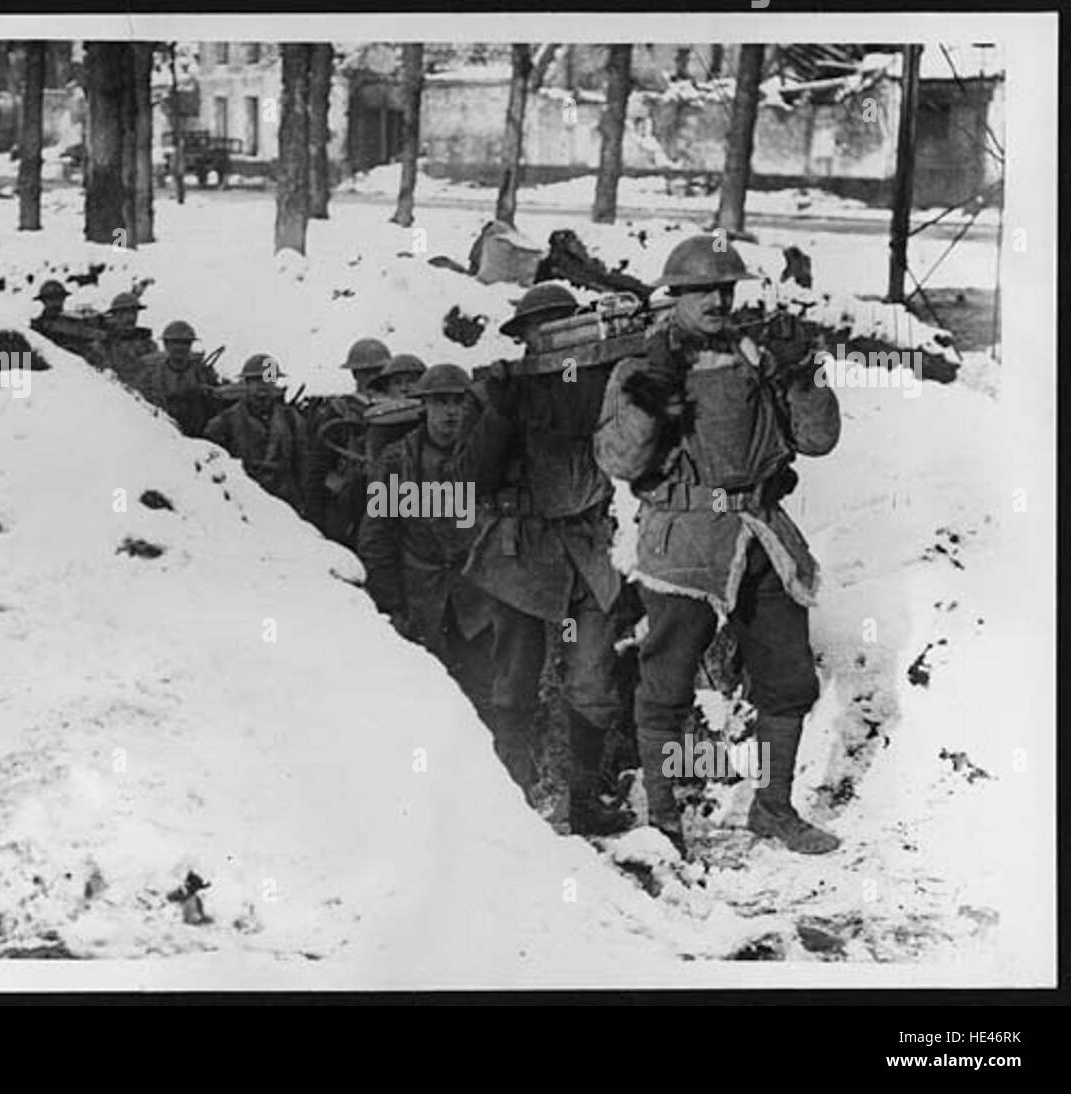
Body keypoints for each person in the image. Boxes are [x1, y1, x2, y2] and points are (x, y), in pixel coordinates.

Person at [594, 234, 842, 858]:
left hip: (761, 532)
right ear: (675, 295)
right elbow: (617, 461)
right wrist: (652, 400)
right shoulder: (640, 367)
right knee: (666, 683)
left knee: (786, 677)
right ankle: (664, 819)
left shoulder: (759, 356)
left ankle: (774, 808)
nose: (717, 300)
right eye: (702, 289)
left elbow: (817, 443)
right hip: (685, 541)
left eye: (726, 288)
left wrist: (805, 374)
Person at [457, 284, 631, 834]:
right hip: (521, 558)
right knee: (513, 680)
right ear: (526, 339)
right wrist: (501, 415)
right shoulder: (501, 393)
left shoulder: (605, 384)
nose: (555, 340)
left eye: (564, 326)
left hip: (588, 554)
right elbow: (468, 478)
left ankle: (583, 802)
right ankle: (509, 801)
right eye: (543, 330)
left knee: (592, 680)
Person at [358, 364, 494, 715]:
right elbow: (378, 537)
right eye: (440, 402)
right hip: (420, 594)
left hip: (479, 596)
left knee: (488, 691)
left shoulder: (485, 457)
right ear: (424, 406)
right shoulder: (398, 462)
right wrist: (392, 605)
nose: (450, 411)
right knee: (429, 696)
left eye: (458, 402)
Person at [304, 338, 392, 546]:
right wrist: (316, 521)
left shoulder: (399, 410)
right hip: (349, 506)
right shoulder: (336, 412)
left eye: (379, 371)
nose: (374, 378)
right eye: (367, 372)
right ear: (355, 375)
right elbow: (316, 470)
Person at [203, 354, 307, 513]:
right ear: (246, 383)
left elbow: (303, 463)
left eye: (268, 380)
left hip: (285, 500)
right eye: (257, 381)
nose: (263, 386)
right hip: (244, 500)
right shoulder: (225, 422)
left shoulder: (292, 419)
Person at [136, 320, 222, 436]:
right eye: (175, 342)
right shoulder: (150, 376)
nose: (180, 347)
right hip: (163, 434)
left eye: (185, 343)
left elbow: (216, 404)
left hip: (200, 435)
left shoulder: (203, 373)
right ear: (166, 344)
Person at [93, 291, 157, 388]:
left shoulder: (148, 344)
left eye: (134, 312)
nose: (131, 317)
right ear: (115, 316)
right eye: (125, 313)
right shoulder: (104, 345)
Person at [29, 279, 102, 360]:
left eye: (58, 298)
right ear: (44, 301)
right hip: (54, 366)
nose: (56, 302)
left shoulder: (74, 320)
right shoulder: (37, 326)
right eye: (51, 299)